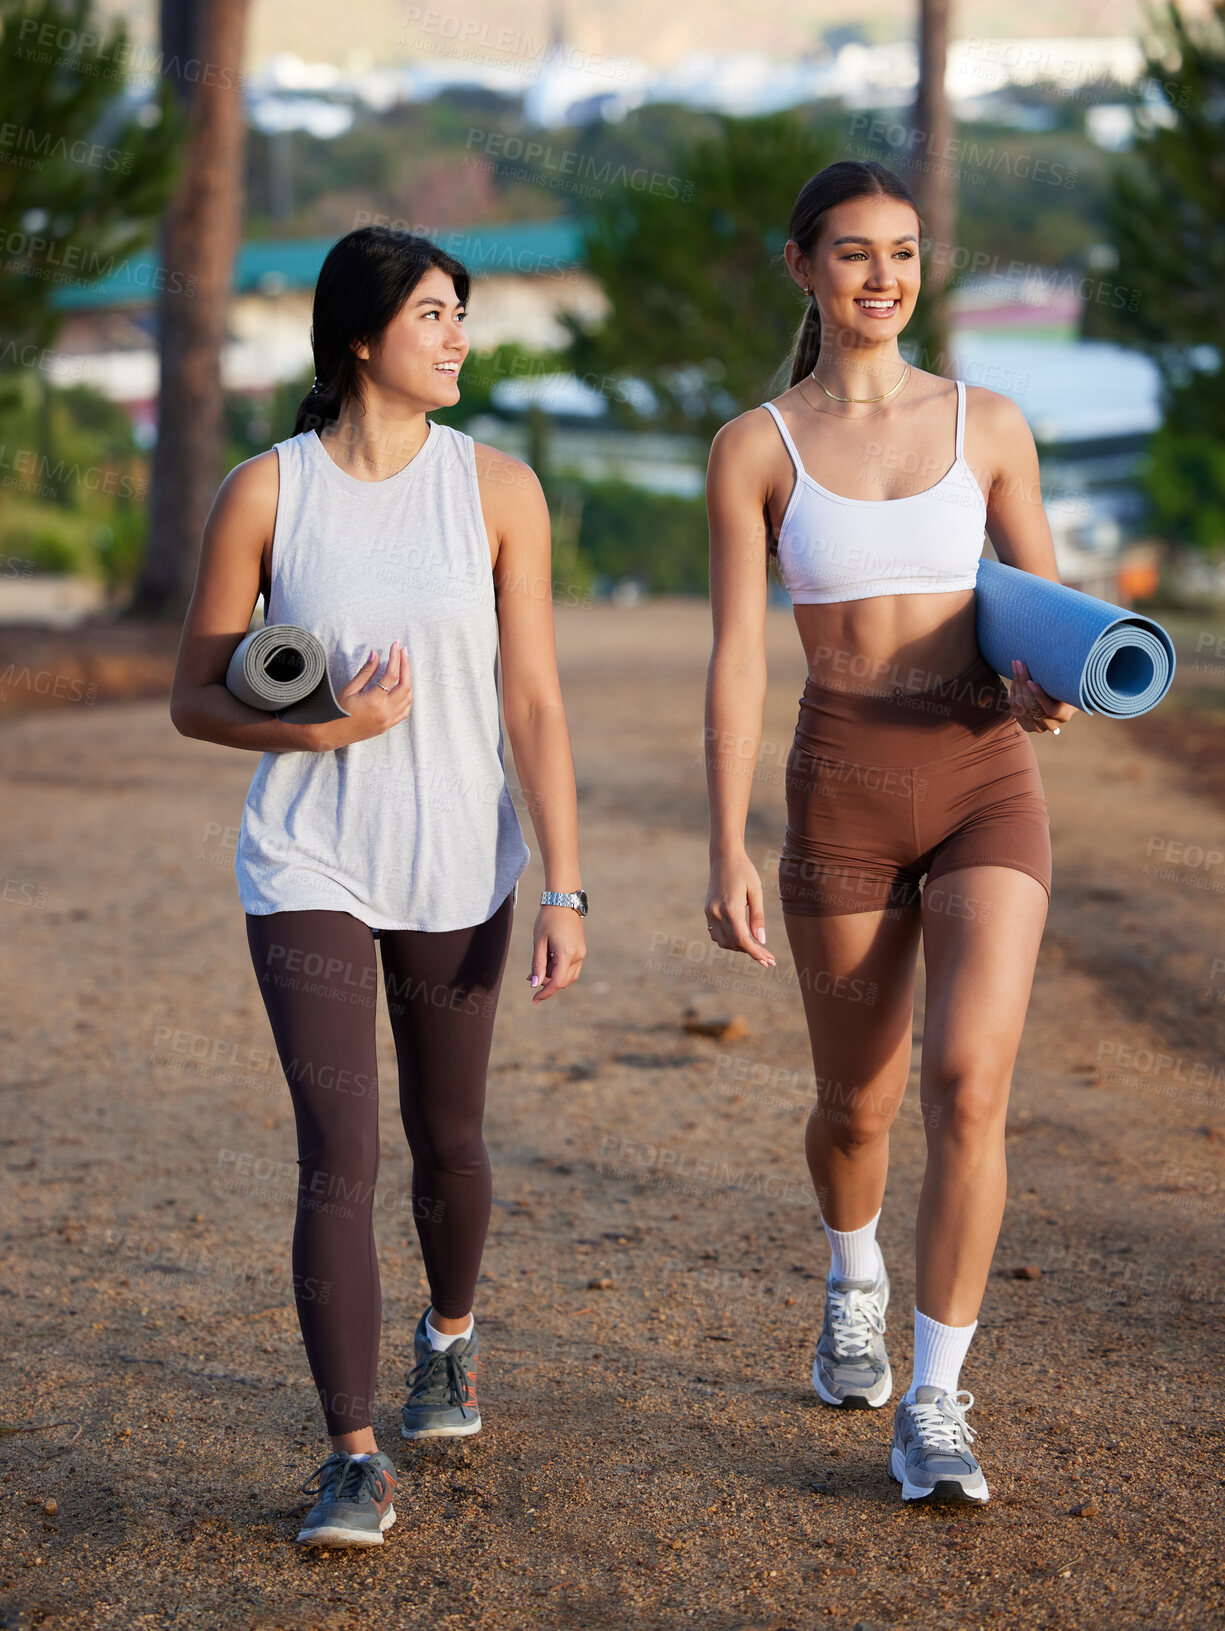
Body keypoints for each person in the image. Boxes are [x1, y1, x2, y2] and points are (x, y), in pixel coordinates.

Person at [170, 227, 587, 1547]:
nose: (458, 335)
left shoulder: (500, 490)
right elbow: (196, 693)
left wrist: (565, 888)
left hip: (463, 858)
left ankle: (448, 1338)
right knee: (338, 1150)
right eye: (431, 314)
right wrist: (324, 733)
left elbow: (532, 700)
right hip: (309, 855)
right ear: (359, 337)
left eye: (459, 313)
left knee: (448, 1142)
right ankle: (352, 1456)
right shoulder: (265, 493)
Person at [703, 161, 1076, 1505]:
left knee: (966, 1082)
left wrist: (1053, 683)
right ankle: (849, 1278)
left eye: (904, 252)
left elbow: (1045, 607)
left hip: (982, 783)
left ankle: (933, 1400)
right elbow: (737, 662)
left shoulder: (988, 423)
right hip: (839, 794)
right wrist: (722, 843)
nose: (883, 277)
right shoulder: (756, 446)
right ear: (801, 266)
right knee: (854, 1104)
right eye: (854, 253)